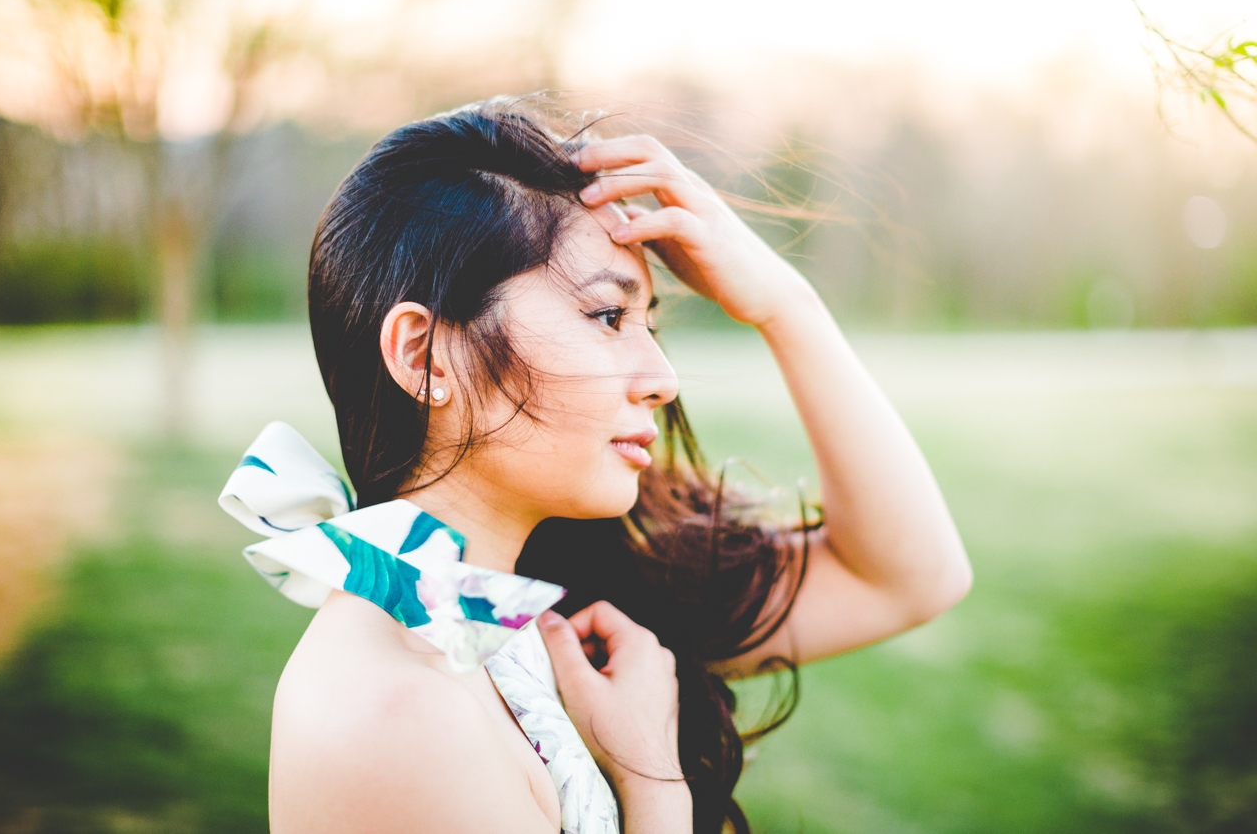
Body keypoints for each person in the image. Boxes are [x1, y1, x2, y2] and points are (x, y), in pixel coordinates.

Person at [217, 97, 971, 834]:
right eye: (609, 317)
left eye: (650, 322)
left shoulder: (557, 613)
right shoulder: (389, 713)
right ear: (423, 354)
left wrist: (786, 304)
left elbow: (909, 576)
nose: (663, 377)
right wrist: (650, 780)